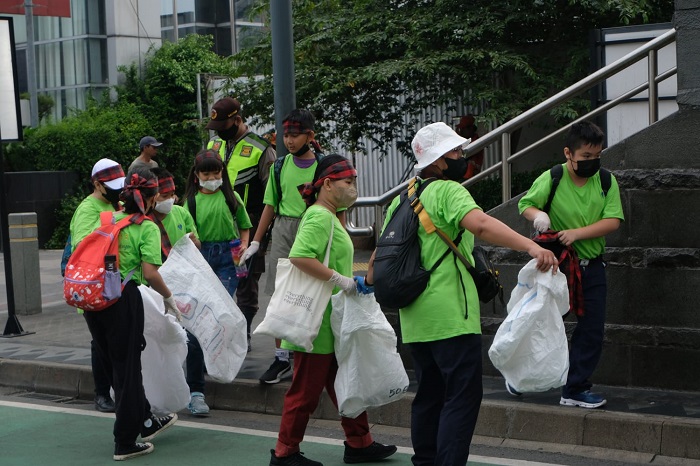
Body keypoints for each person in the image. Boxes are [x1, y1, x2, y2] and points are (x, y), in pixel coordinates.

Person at [370, 122, 558, 466]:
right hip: (451, 316)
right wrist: (531, 246)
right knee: (461, 397)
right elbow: (481, 225)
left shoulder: (402, 198)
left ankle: (425, 462)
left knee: (429, 395)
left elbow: (378, 256)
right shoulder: (448, 191)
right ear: (438, 160)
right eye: (456, 151)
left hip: (414, 318)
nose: (462, 156)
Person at [268, 154, 397, 466]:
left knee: (346, 385)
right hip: (316, 321)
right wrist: (342, 280)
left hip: (331, 318)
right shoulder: (319, 217)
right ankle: (285, 453)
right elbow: (300, 256)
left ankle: (360, 443)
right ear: (327, 184)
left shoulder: (330, 215)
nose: (353, 188)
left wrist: (349, 282)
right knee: (305, 392)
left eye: (354, 181)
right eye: (347, 182)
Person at [518, 120, 624, 409]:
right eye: (585, 156)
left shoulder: (606, 181)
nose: (592, 161)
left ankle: (575, 388)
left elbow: (613, 220)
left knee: (591, 330)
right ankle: (519, 376)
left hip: (592, 268)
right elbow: (526, 205)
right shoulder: (553, 177)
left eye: (597, 155)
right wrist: (539, 216)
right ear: (568, 153)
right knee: (538, 323)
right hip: (557, 267)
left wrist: (577, 233)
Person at [81, 166, 179, 461]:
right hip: (123, 301)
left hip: (94, 300)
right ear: (151, 198)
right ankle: (124, 441)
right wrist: (169, 297)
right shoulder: (146, 227)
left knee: (116, 368)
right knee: (129, 372)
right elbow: (150, 273)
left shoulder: (109, 218)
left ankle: (143, 422)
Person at [242, 109, 338, 384]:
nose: (289, 140)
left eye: (295, 135)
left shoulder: (323, 166)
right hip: (284, 230)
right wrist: (256, 241)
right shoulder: (280, 166)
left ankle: (317, 353)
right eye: (286, 135)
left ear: (310, 135)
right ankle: (282, 358)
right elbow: (270, 206)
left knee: (317, 290)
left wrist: (339, 236)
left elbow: (338, 205)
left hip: (315, 226)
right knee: (280, 292)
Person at [182, 149, 252, 408]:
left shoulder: (231, 198)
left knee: (216, 316)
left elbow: (245, 225)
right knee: (198, 322)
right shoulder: (189, 203)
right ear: (196, 175)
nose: (212, 178)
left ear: (222, 173)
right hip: (200, 259)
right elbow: (183, 234)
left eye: (216, 173)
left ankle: (211, 361)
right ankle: (196, 390)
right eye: (206, 174)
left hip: (228, 261)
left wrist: (244, 244)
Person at [205, 97, 276, 352]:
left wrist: (261, 235)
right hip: (214, 225)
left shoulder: (261, 149)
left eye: (223, 126)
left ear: (237, 120)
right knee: (213, 279)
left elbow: (272, 194)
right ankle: (217, 332)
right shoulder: (213, 144)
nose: (218, 131)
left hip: (247, 226)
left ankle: (243, 332)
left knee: (245, 281)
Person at [69, 158, 126, 414]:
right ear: (97, 184)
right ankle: (102, 393)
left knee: (114, 341)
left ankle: (118, 391)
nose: (117, 190)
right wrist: (112, 221)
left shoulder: (117, 204)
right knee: (101, 343)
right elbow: (82, 245)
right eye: (112, 186)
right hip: (93, 287)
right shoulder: (87, 209)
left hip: (115, 282)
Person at [150, 167, 208, 416]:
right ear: (152, 196)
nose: (170, 200)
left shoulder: (181, 213)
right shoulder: (143, 221)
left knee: (192, 338)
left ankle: (197, 392)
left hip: (182, 288)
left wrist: (194, 243)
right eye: (164, 196)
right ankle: (157, 397)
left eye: (172, 194)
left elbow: (196, 242)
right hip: (153, 290)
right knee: (157, 343)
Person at [455, 115, 484, 180]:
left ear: (471, 129)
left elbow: (462, 154)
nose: (461, 131)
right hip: (464, 175)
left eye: (463, 129)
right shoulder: (466, 140)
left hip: (470, 176)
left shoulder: (475, 142)